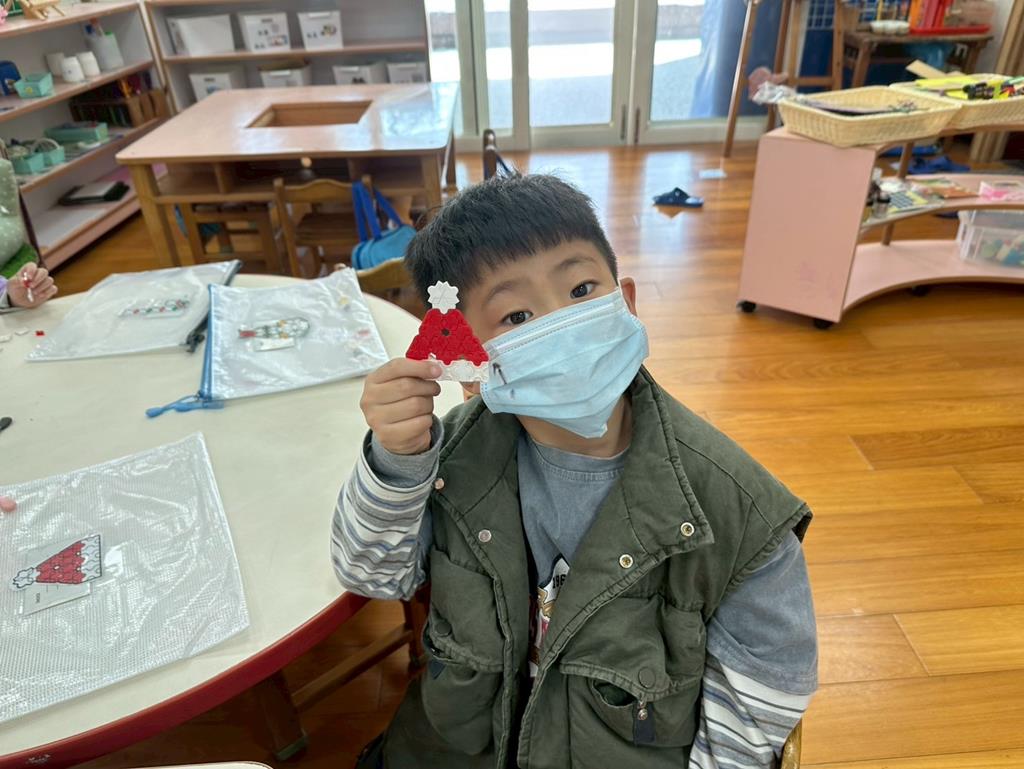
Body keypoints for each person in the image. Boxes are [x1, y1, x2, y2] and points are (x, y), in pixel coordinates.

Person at [332, 174, 817, 769]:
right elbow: (371, 574)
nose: (561, 321)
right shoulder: (448, 460)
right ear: (467, 359)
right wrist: (397, 462)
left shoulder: (736, 511)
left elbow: (762, 697)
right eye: (516, 315)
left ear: (627, 303)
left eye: (582, 287)